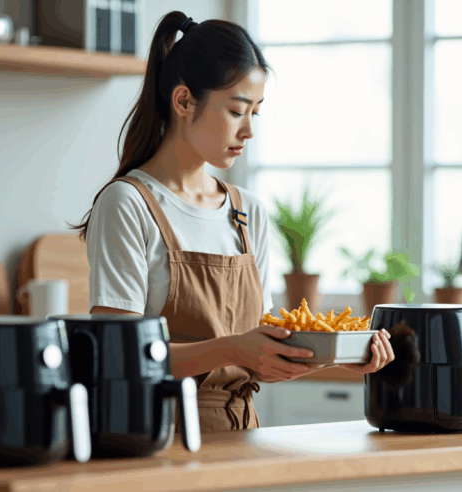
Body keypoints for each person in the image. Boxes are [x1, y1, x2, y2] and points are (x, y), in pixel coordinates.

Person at [68, 11, 395, 433]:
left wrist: (341, 355)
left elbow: (260, 353)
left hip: (243, 435)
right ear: (184, 101)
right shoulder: (129, 204)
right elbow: (118, 355)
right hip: (156, 437)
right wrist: (230, 350)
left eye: (256, 113)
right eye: (238, 111)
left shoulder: (247, 212)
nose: (249, 132)